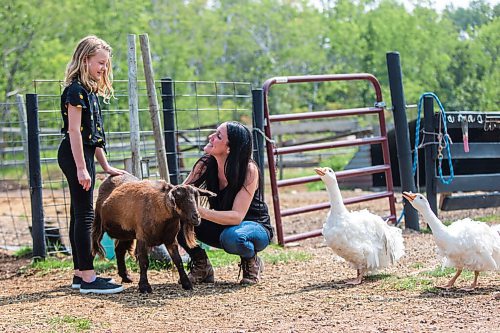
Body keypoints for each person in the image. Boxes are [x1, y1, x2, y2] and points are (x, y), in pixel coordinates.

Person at [58, 35, 127, 294]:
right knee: (86, 216)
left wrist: (105, 166)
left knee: (79, 214)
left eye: (106, 64)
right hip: (74, 155)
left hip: (83, 155)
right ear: (85, 60)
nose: (103, 69)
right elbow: (74, 133)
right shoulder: (75, 92)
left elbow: (93, 138)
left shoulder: (89, 92)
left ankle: (79, 274)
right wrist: (81, 167)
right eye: (100, 63)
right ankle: (88, 278)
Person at [178, 121, 273, 285]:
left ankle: (251, 261)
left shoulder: (249, 170)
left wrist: (198, 211)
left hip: (253, 226)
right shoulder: (204, 165)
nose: (211, 137)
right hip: (221, 225)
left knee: (234, 237)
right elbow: (180, 194)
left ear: (229, 148)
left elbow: (237, 217)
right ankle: (201, 265)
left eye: (218, 136)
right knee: (177, 219)